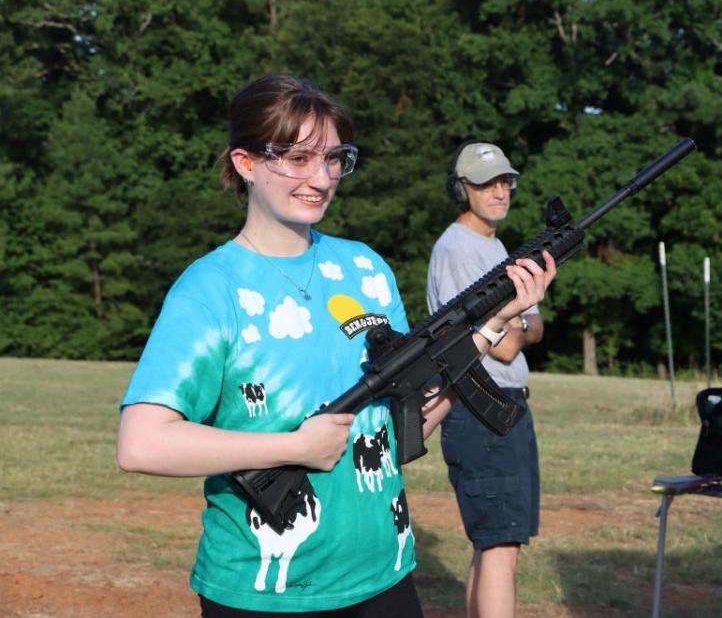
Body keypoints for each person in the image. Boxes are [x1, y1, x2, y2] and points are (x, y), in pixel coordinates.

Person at [115, 74, 555, 617]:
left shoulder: (366, 270)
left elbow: (399, 432)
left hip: (385, 575)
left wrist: (490, 329)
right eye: (297, 158)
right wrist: (291, 449)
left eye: (333, 159)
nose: (319, 178)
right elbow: (141, 444)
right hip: (265, 592)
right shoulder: (211, 288)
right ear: (244, 163)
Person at [426, 140, 545, 618]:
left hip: (504, 403)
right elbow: (510, 341)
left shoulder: (494, 247)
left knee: (494, 544)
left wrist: (517, 323)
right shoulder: (456, 249)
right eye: (485, 183)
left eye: (505, 181)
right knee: (499, 544)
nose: (500, 192)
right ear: (462, 189)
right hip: (480, 408)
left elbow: (534, 325)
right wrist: (517, 324)